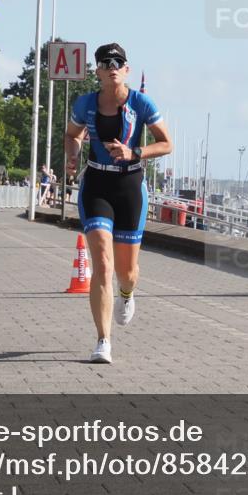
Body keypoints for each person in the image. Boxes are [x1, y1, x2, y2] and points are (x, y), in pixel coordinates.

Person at [64, 43, 172, 364]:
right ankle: (103, 340)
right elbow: (72, 135)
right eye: (105, 62)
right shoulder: (85, 103)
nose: (112, 66)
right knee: (103, 264)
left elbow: (166, 143)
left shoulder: (140, 103)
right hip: (96, 184)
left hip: (130, 187)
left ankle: (126, 294)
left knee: (126, 272)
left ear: (126, 69)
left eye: (118, 61)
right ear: (97, 71)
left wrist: (134, 152)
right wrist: (72, 156)